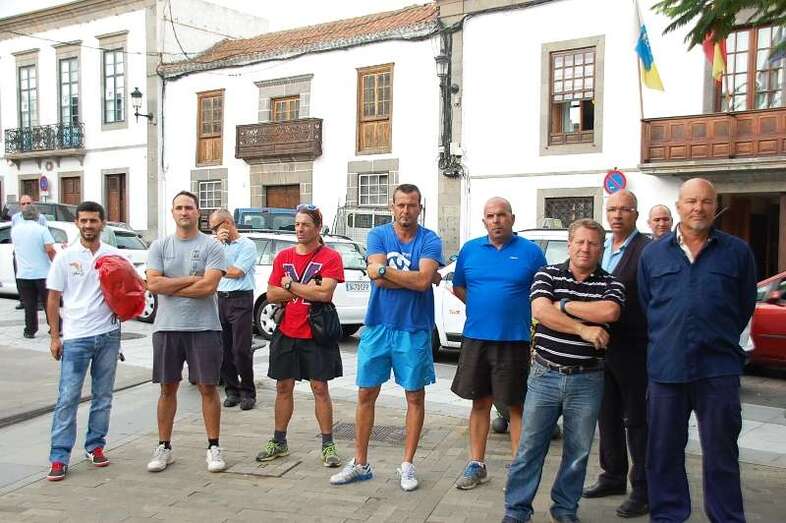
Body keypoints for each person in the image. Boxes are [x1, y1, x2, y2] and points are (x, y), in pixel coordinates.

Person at [638, 178, 756, 523]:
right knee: (663, 453)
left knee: (722, 453)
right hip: (667, 368)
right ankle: (668, 516)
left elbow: (744, 304)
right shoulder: (653, 254)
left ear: (715, 206)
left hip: (718, 369)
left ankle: (726, 517)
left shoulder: (737, 252)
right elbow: (648, 305)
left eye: (705, 201)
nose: (698, 208)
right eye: (691, 201)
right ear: (679, 206)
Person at [503, 219, 625, 523]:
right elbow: (540, 311)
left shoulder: (612, 284)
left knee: (578, 452)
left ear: (601, 248)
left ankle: (565, 509)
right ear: (569, 245)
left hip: (588, 379)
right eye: (579, 242)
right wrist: (584, 329)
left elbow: (609, 311)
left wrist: (564, 305)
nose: (585, 248)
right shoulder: (547, 274)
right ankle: (517, 511)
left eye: (592, 243)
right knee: (529, 449)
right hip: (545, 376)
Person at [330, 183, 442, 491]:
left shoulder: (430, 239)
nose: (406, 210)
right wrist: (414, 277)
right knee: (366, 394)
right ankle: (360, 463)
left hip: (414, 328)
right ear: (392, 207)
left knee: (414, 396)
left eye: (412, 205)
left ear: (420, 208)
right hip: (378, 325)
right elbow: (390, 280)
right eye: (400, 205)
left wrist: (384, 271)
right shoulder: (378, 235)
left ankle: (407, 465)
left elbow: (421, 282)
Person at [450, 197, 546, 490]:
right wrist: (482, 308)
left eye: (502, 215)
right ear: (484, 221)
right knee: (480, 402)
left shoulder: (531, 252)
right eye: (490, 216)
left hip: (514, 340)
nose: (496, 220)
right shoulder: (470, 250)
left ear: (512, 218)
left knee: (516, 405)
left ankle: (519, 471)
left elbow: (542, 292)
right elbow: (458, 287)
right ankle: (476, 465)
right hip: (476, 338)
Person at [255, 204, 345, 468]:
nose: (300, 229)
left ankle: (328, 444)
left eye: (305, 224)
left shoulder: (330, 257)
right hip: (286, 331)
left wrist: (289, 285)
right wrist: (307, 288)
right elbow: (272, 294)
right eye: (297, 224)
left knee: (320, 388)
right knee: (283, 387)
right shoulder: (283, 256)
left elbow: (324, 294)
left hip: (316, 333)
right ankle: (279, 441)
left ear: (318, 227)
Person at [145, 191, 227, 474]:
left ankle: (213, 446)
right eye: (179, 207)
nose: (184, 212)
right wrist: (191, 279)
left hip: (204, 327)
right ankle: (164, 446)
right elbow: (153, 285)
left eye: (189, 208)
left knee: (208, 387)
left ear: (197, 212)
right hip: (167, 327)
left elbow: (208, 287)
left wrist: (170, 285)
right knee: (167, 388)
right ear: (172, 212)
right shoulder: (159, 246)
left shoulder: (212, 246)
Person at [582, 190, 651, 518]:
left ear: (635, 213)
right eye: (612, 209)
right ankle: (612, 476)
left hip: (634, 348)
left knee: (637, 420)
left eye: (624, 209)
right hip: (600, 347)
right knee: (606, 415)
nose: (617, 215)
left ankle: (644, 488)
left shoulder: (646, 250)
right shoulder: (602, 247)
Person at [44, 201, 121, 481]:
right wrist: (55, 336)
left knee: (103, 396)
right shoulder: (65, 257)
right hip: (76, 337)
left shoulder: (113, 255)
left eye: (93, 220)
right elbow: (53, 298)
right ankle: (59, 457)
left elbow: (128, 288)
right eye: (84, 221)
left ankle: (95, 446)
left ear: (102, 223)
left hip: (108, 335)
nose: (89, 225)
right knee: (68, 398)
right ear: (77, 223)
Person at [208, 209, 257, 411]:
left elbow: (237, 272)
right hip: (221, 298)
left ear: (227, 223)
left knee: (240, 349)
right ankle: (232, 390)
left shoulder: (247, 245)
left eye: (216, 227)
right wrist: (217, 246)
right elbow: (204, 267)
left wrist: (216, 270)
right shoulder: (215, 245)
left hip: (241, 298)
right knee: (223, 348)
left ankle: (248, 392)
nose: (214, 232)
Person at [11, 206, 56, 338]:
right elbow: (49, 249)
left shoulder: (15, 230)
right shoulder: (42, 230)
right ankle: (56, 327)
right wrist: (56, 262)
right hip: (43, 273)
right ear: (37, 216)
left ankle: (30, 330)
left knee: (29, 304)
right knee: (49, 303)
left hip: (23, 273)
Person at [12, 195, 48, 310]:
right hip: (21, 252)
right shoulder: (15, 218)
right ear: (20, 206)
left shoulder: (40, 218)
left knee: (38, 278)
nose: (26, 206)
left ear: (33, 204)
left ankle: (39, 302)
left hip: (36, 251)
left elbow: (45, 233)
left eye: (28, 203)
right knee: (20, 276)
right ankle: (23, 300)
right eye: (23, 204)